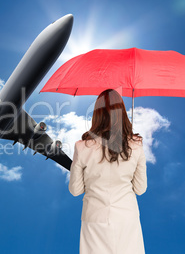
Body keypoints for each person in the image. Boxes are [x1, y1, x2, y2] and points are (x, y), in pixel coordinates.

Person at [69, 89, 147, 254]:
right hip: (127, 218)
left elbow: (75, 191)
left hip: (94, 218)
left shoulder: (81, 147)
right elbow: (140, 189)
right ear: (122, 113)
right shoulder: (137, 145)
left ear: (97, 114)